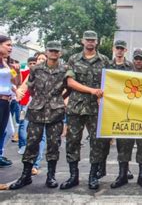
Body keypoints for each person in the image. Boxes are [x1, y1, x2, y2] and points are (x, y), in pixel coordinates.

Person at [9, 41, 67, 190]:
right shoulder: (36, 69)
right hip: (37, 111)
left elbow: (70, 87)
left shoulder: (65, 69)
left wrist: (61, 99)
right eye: (51, 50)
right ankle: (26, 175)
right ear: (46, 52)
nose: (54, 53)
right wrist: (30, 95)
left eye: (56, 51)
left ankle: (51, 176)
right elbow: (30, 85)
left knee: (53, 145)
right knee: (31, 144)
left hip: (56, 112)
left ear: (60, 53)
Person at [60, 30, 109, 190]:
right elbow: (70, 82)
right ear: (82, 41)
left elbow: (111, 82)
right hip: (76, 107)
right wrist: (92, 90)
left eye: (93, 40)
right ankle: (73, 176)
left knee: (97, 143)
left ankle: (93, 176)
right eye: (87, 40)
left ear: (97, 42)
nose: (90, 42)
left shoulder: (104, 60)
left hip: (96, 109)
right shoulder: (74, 59)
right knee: (72, 142)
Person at [111, 48, 142, 188]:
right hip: (126, 116)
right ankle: (122, 175)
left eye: (141, 59)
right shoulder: (125, 75)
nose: (138, 61)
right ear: (133, 60)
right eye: (136, 59)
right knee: (123, 147)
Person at [109, 40, 135, 185]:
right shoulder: (107, 66)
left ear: (125, 50)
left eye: (122, 49)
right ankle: (120, 171)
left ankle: (124, 172)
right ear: (114, 49)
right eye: (117, 48)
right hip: (112, 107)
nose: (119, 51)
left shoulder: (130, 66)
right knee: (116, 142)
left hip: (127, 107)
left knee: (126, 141)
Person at [0, 35, 15, 168]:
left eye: (11, 45)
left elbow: (15, 80)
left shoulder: (6, 63)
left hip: (6, 102)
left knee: (5, 131)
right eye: (8, 44)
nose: (10, 47)